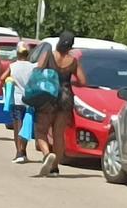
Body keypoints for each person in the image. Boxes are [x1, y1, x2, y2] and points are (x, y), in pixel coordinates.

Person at [33, 30, 88, 176]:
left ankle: (46, 154)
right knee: (58, 134)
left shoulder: (49, 55)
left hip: (48, 97)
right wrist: (69, 80)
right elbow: (83, 81)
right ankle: (55, 168)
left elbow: (37, 71)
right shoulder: (73, 61)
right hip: (65, 97)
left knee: (41, 131)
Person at [0, 45, 35, 163]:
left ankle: (18, 152)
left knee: (17, 126)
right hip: (29, 100)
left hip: (16, 100)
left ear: (17, 54)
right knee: (26, 126)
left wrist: (10, 82)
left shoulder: (13, 66)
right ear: (27, 54)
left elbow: (2, 78)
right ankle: (24, 151)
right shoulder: (32, 67)